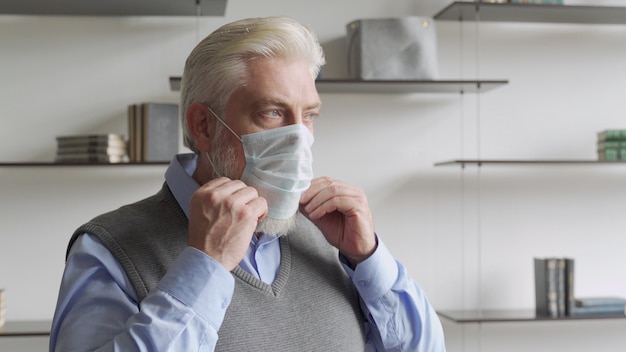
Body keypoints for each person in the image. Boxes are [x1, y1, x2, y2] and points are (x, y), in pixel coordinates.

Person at [50, 16, 445, 352]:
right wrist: (205, 267)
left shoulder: (334, 239)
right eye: (272, 112)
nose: (299, 137)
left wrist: (369, 257)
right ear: (203, 126)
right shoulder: (108, 248)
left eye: (308, 115)